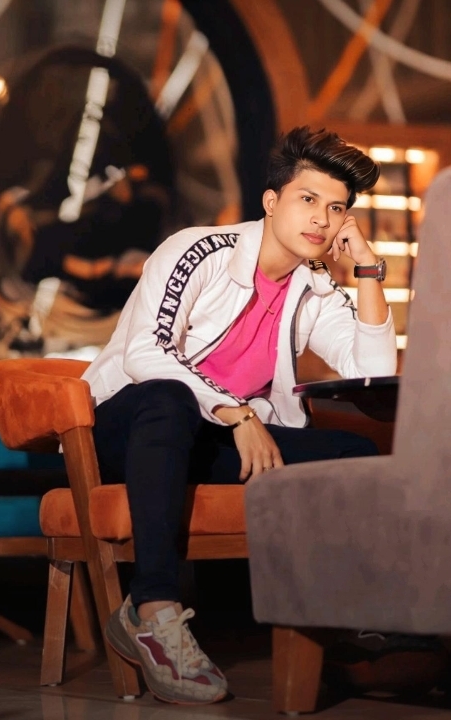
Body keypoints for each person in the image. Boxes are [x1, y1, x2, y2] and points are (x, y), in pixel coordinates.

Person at [82, 125, 397, 704]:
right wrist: (238, 414)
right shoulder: (199, 249)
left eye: (336, 208)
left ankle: (348, 625)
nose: (322, 219)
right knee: (168, 398)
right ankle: (152, 610)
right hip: (129, 430)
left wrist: (369, 270)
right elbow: (146, 352)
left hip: (206, 441)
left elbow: (368, 371)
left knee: (355, 454)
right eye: (308, 199)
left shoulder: (314, 290)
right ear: (271, 201)